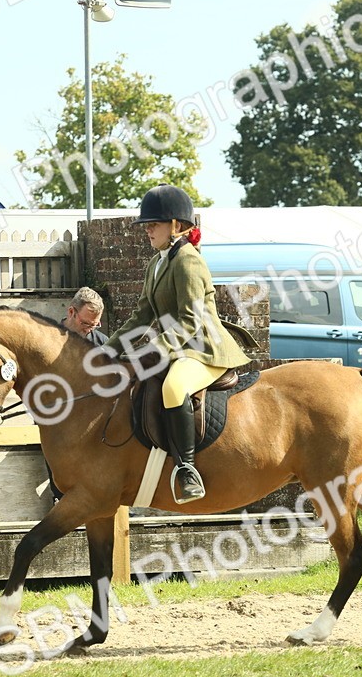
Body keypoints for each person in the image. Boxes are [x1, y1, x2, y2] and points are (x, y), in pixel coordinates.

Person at [104, 184, 252, 503]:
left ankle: (187, 471)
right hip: (180, 347)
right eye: (146, 224)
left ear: (175, 225)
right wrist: (108, 351)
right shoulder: (157, 264)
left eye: (153, 224)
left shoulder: (187, 261)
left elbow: (191, 320)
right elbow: (140, 317)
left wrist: (156, 350)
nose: (147, 230)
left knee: (173, 387)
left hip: (205, 349)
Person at [47, 288, 109, 504]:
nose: (90, 330)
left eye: (95, 324)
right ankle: (61, 496)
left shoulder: (101, 342)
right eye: (86, 324)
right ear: (72, 312)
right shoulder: (47, 339)